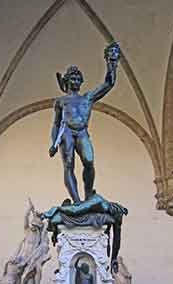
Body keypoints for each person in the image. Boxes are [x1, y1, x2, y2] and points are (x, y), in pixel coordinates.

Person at [49, 42, 121, 203]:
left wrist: (112, 64)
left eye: (78, 78)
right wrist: (53, 142)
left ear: (81, 81)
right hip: (66, 131)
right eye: (72, 78)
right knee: (68, 165)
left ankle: (88, 194)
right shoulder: (60, 101)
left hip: (82, 131)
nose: (75, 80)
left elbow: (108, 84)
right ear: (67, 81)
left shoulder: (87, 98)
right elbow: (56, 123)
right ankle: (77, 201)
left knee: (89, 161)